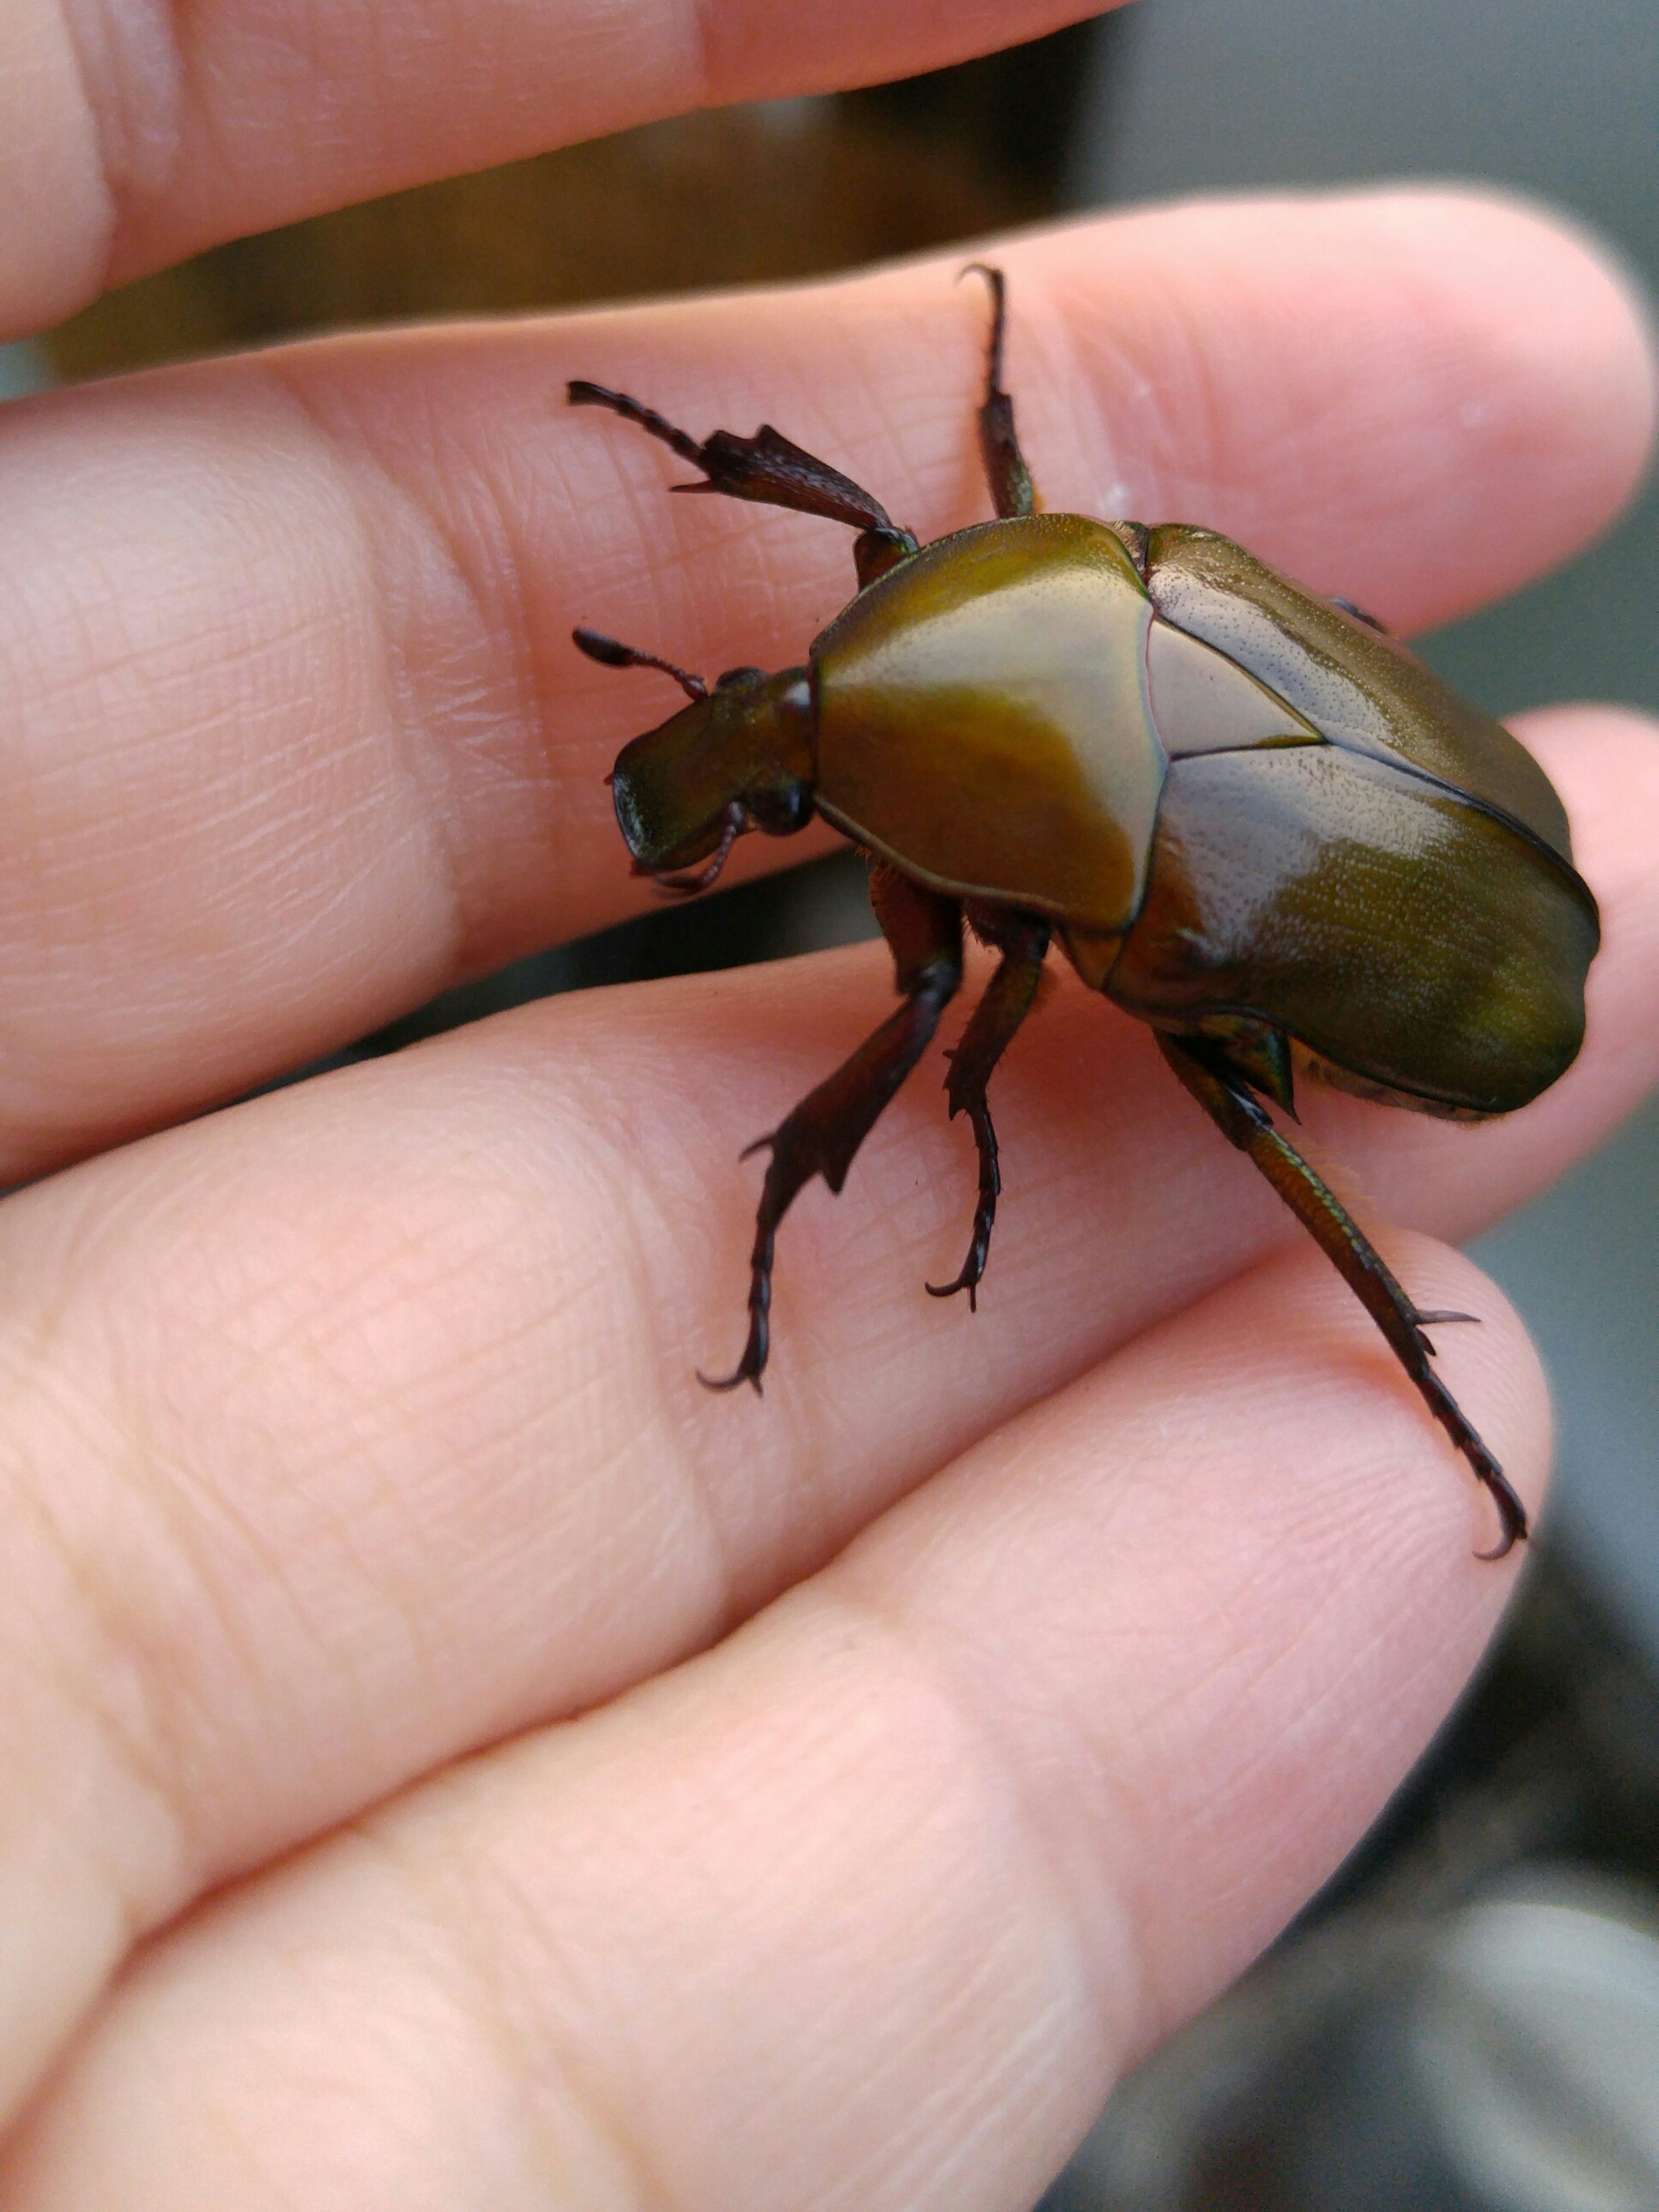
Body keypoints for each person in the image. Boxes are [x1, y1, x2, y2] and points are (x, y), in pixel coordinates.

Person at [0, 2, 1654, 2202]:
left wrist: (842, 1157)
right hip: (1351, 748)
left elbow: (936, 1022)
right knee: (1020, 955)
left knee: (1243, 1122)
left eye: (772, 737)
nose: (767, 733)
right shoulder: (1039, 586)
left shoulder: (1021, 825)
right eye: (786, 735)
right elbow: (944, 903)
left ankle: (1408, 1370)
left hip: (1446, 938)